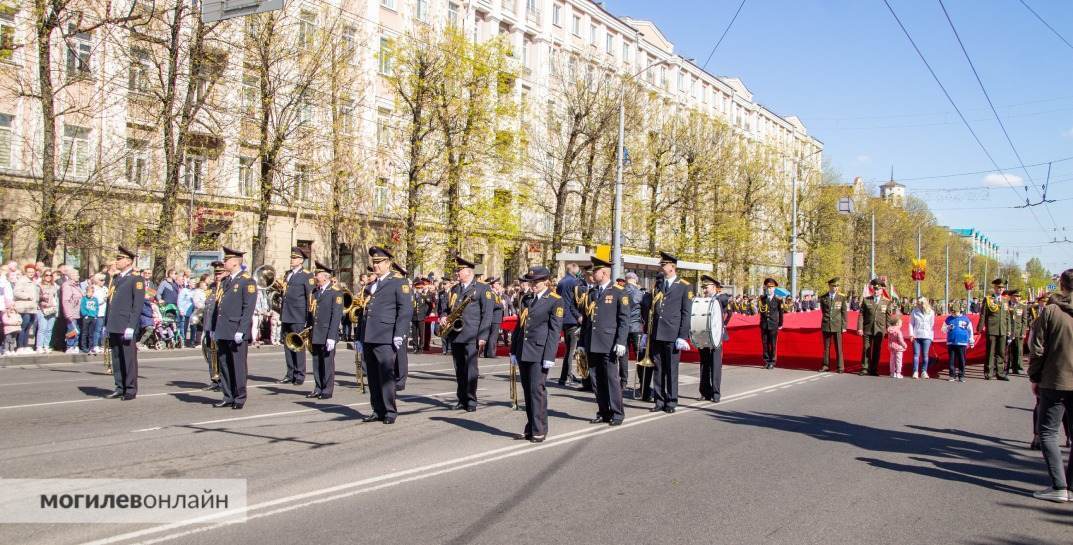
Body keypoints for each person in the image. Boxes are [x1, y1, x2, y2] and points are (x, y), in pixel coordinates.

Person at [1028, 269, 1073, 503]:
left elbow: (1036, 348)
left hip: (1054, 381)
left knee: (1047, 433)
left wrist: (1034, 377)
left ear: (1061, 286)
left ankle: (1059, 486)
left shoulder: (1051, 311)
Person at [509, 266, 563, 443]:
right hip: (524, 350)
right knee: (527, 391)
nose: (533, 284)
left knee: (536, 391)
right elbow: (520, 325)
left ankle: (539, 429)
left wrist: (549, 356)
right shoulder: (527, 299)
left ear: (546, 281)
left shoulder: (554, 300)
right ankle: (530, 427)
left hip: (539, 352)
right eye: (531, 281)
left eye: (536, 281)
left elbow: (554, 331)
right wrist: (513, 350)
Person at [359, 247, 413, 424]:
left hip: (385, 335)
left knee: (386, 374)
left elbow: (405, 310)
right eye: (374, 262)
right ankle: (377, 409)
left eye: (379, 262)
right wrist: (359, 337)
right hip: (369, 335)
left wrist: (400, 333)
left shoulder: (398, 282)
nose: (375, 265)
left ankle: (390, 411)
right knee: (372, 375)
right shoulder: (371, 285)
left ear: (388, 263)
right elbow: (364, 312)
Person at [579, 256, 629, 426]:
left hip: (609, 343)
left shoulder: (618, 292)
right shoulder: (592, 293)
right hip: (593, 342)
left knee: (611, 379)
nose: (593, 274)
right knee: (595, 379)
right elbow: (587, 320)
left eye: (596, 271)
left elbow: (624, 320)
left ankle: (617, 412)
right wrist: (581, 344)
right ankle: (603, 411)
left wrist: (621, 341)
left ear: (605, 273)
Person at [441, 255, 492, 412]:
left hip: (472, 334)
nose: (457, 273)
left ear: (469, 271)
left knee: (471, 369)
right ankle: (461, 399)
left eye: (459, 270)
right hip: (456, 334)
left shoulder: (482, 288)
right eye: (456, 271)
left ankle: (471, 399)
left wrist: (483, 336)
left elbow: (487, 314)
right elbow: (446, 308)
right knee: (459, 369)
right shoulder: (455, 289)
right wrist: (443, 316)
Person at [211, 246, 256, 409]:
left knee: (237, 365)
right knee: (224, 365)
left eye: (226, 260)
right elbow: (219, 307)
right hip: (223, 329)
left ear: (235, 262)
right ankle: (228, 395)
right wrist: (213, 328)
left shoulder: (247, 281)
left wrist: (242, 330)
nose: (224, 262)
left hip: (236, 329)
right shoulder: (226, 281)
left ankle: (239, 397)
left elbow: (248, 308)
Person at [649, 252, 693, 413]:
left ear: (672, 267)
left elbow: (686, 313)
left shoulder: (684, 286)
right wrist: (648, 332)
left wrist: (682, 336)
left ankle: (671, 401)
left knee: (671, 369)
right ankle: (659, 400)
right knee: (658, 368)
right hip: (657, 333)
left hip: (673, 334)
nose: (661, 267)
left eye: (663, 265)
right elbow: (652, 309)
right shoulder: (658, 284)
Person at [105, 247, 145, 400]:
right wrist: (106, 324)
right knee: (116, 357)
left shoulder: (136, 279)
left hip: (126, 324)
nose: (117, 261)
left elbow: (137, 305)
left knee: (128, 358)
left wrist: (131, 326)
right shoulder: (116, 279)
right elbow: (111, 303)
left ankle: (130, 389)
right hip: (114, 323)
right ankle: (119, 386)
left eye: (120, 258)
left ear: (128, 261)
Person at [307, 262, 343, 400]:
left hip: (327, 333)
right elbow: (312, 313)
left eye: (318, 275)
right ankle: (318, 387)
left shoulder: (335, 291)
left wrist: (332, 336)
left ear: (325, 277)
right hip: (316, 332)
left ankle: (327, 389)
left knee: (327, 363)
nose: (315, 277)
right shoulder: (315, 292)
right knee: (316, 362)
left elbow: (336, 315)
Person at [278, 246, 314, 385]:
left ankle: (299, 374)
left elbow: (309, 297)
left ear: (301, 260)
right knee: (288, 344)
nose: (292, 260)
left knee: (298, 345)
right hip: (286, 314)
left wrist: (307, 318)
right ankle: (290, 373)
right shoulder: (288, 274)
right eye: (292, 258)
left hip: (298, 315)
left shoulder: (307, 275)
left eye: (294, 258)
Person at [698, 275, 732, 402]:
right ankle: (705, 391)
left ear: (714, 287)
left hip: (716, 336)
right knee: (704, 364)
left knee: (715, 364)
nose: (704, 290)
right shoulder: (702, 300)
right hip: (703, 336)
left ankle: (716, 393)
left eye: (706, 287)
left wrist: (723, 325)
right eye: (703, 288)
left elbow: (727, 309)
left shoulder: (720, 298)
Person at [556, 262, 584, 386]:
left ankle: (565, 376)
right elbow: (577, 301)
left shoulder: (561, 281)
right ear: (574, 270)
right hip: (573, 318)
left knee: (569, 349)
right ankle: (566, 377)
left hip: (563, 318)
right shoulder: (575, 282)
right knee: (571, 351)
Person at [858, 279, 892, 377]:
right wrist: (860, 328)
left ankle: (874, 369)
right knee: (866, 348)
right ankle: (865, 368)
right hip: (867, 328)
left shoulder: (887, 302)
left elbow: (888, 317)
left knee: (877, 349)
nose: (876, 291)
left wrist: (888, 328)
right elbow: (861, 315)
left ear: (882, 290)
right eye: (875, 289)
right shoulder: (866, 300)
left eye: (878, 289)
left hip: (879, 330)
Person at [980, 278, 1011, 381]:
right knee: (990, 352)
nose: (1001, 289)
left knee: (1001, 352)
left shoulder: (1005, 300)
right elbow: (983, 314)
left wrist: (1009, 329)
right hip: (992, 328)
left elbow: (1007, 316)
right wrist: (980, 327)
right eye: (999, 287)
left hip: (1002, 329)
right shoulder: (988, 299)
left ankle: (1000, 373)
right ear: (994, 288)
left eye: (1002, 287)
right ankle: (989, 372)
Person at [200, 262, 225, 391]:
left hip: (220, 326)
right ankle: (214, 379)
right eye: (216, 273)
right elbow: (208, 307)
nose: (217, 276)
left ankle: (222, 381)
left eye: (220, 273)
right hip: (210, 325)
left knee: (220, 354)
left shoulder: (226, 287)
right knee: (211, 354)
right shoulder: (212, 287)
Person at [819, 277, 848, 373]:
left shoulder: (842, 297)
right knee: (826, 347)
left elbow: (844, 313)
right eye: (834, 286)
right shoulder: (823, 297)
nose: (835, 288)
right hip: (826, 324)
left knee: (838, 347)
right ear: (829, 286)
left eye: (837, 286)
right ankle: (825, 365)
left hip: (837, 325)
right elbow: (824, 311)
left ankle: (840, 367)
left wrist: (844, 326)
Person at [620, 272, 643, 391]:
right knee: (639, 355)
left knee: (623, 355)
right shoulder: (639, 293)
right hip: (636, 327)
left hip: (623, 327)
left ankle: (623, 381)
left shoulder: (621, 291)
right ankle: (642, 383)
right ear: (634, 280)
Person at [942, 303, 974, 383]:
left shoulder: (966, 319)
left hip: (962, 343)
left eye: (955, 312)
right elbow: (943, 329)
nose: (953, 314)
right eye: (952, 312)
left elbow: (970, 330)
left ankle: (961, 375)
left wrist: (971, 340)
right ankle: (952, 375)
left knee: (962, 360)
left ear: (959, 311)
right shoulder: (948, 319)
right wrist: (948, 327)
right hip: (951, 342)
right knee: (951, 360)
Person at [758, 278, 784, 369]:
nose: (769, 289)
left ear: (774, 289)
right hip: (764, 324)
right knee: (765, 343)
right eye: (768, 288)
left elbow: (781, 313)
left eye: (771, 288)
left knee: (772, 344)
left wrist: (780, 324)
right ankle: (766, 360)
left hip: (773, 324)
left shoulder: (778, 300)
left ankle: (772, 361)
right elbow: (761, 312)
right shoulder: (762, 299)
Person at [910, 297, 936, 379]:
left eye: (919, 302)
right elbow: (911, 324)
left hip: (926, 336)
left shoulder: (931, 312)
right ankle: (915, 371)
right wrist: (911, 334)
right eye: (917, 302)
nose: (918, 304)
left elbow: (932, 325)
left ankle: (924, 371)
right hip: (916, 335)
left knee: (925, 355)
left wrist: (931, 337)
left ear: (924, 302)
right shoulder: (914, 311)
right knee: (916, 355)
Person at [35, 270, 60, 353]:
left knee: (49, 330)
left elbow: (56, 299)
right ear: (43, 276)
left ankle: (46, 345)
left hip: (52, 309)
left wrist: (56, 310)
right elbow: (36, 298)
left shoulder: (54, 286)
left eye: (50, 275)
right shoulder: (39, 286)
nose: (48, 276)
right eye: (46, 275)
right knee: (42, 329)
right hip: (42, 309)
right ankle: (39, 346)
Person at [60, 269, 83, 354]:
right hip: (71, 312)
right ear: (71, 276)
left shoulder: (77, 285)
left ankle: (75, 345)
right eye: (77, 275)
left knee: (76, 330)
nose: (78, 276)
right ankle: (69, 346)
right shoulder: (67, 285)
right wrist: (68, 314)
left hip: (78, 312)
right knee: (71, 330)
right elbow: (65, 301)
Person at [1006, 289, 1028, 376]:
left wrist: (1023, 332)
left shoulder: (1022, 306)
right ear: (1011, 296)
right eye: (1016, 296)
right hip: (1008, 331)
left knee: (1017, 350)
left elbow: (1024, 320)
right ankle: (1005, 368)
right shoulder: (1006, 305)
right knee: (1006, 350)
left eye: (1019, 297)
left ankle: (1015, 368)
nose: (1017, 298)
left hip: (1018, 331)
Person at [483, 277, 505, 358]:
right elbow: (492, 305)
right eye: (498, 283)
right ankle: (491, 353)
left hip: (495, 317)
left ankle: (487, 353)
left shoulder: (495, 293)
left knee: (491, 336)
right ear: (493, 285)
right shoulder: (491, 293)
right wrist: (502, 304)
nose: (499, 285)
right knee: (493, 336)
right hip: (494, 317)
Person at [78, 286, 99, 354]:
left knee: (91, 333)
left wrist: (95, 315)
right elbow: (82, 307)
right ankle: (84, 347)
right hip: (86, 317)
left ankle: (91, 347)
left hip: (93, 317)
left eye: (91, 292)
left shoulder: (95, 299)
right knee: (85, 332)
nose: (89, 294)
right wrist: (85, 314)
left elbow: (96, 307)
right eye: (88, 292)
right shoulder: (84, 299)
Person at [887, 313, 907, 378]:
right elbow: (900, 340)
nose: (901, 325)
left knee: (892, 360)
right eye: (901, 323)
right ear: (897, 323)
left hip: (891, 346)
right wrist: (904, 345)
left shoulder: (889, 330)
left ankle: (892, 373)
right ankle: (898, 373)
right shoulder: (898, 331)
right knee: (899, 360)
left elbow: (889, 339)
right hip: (898, 347)